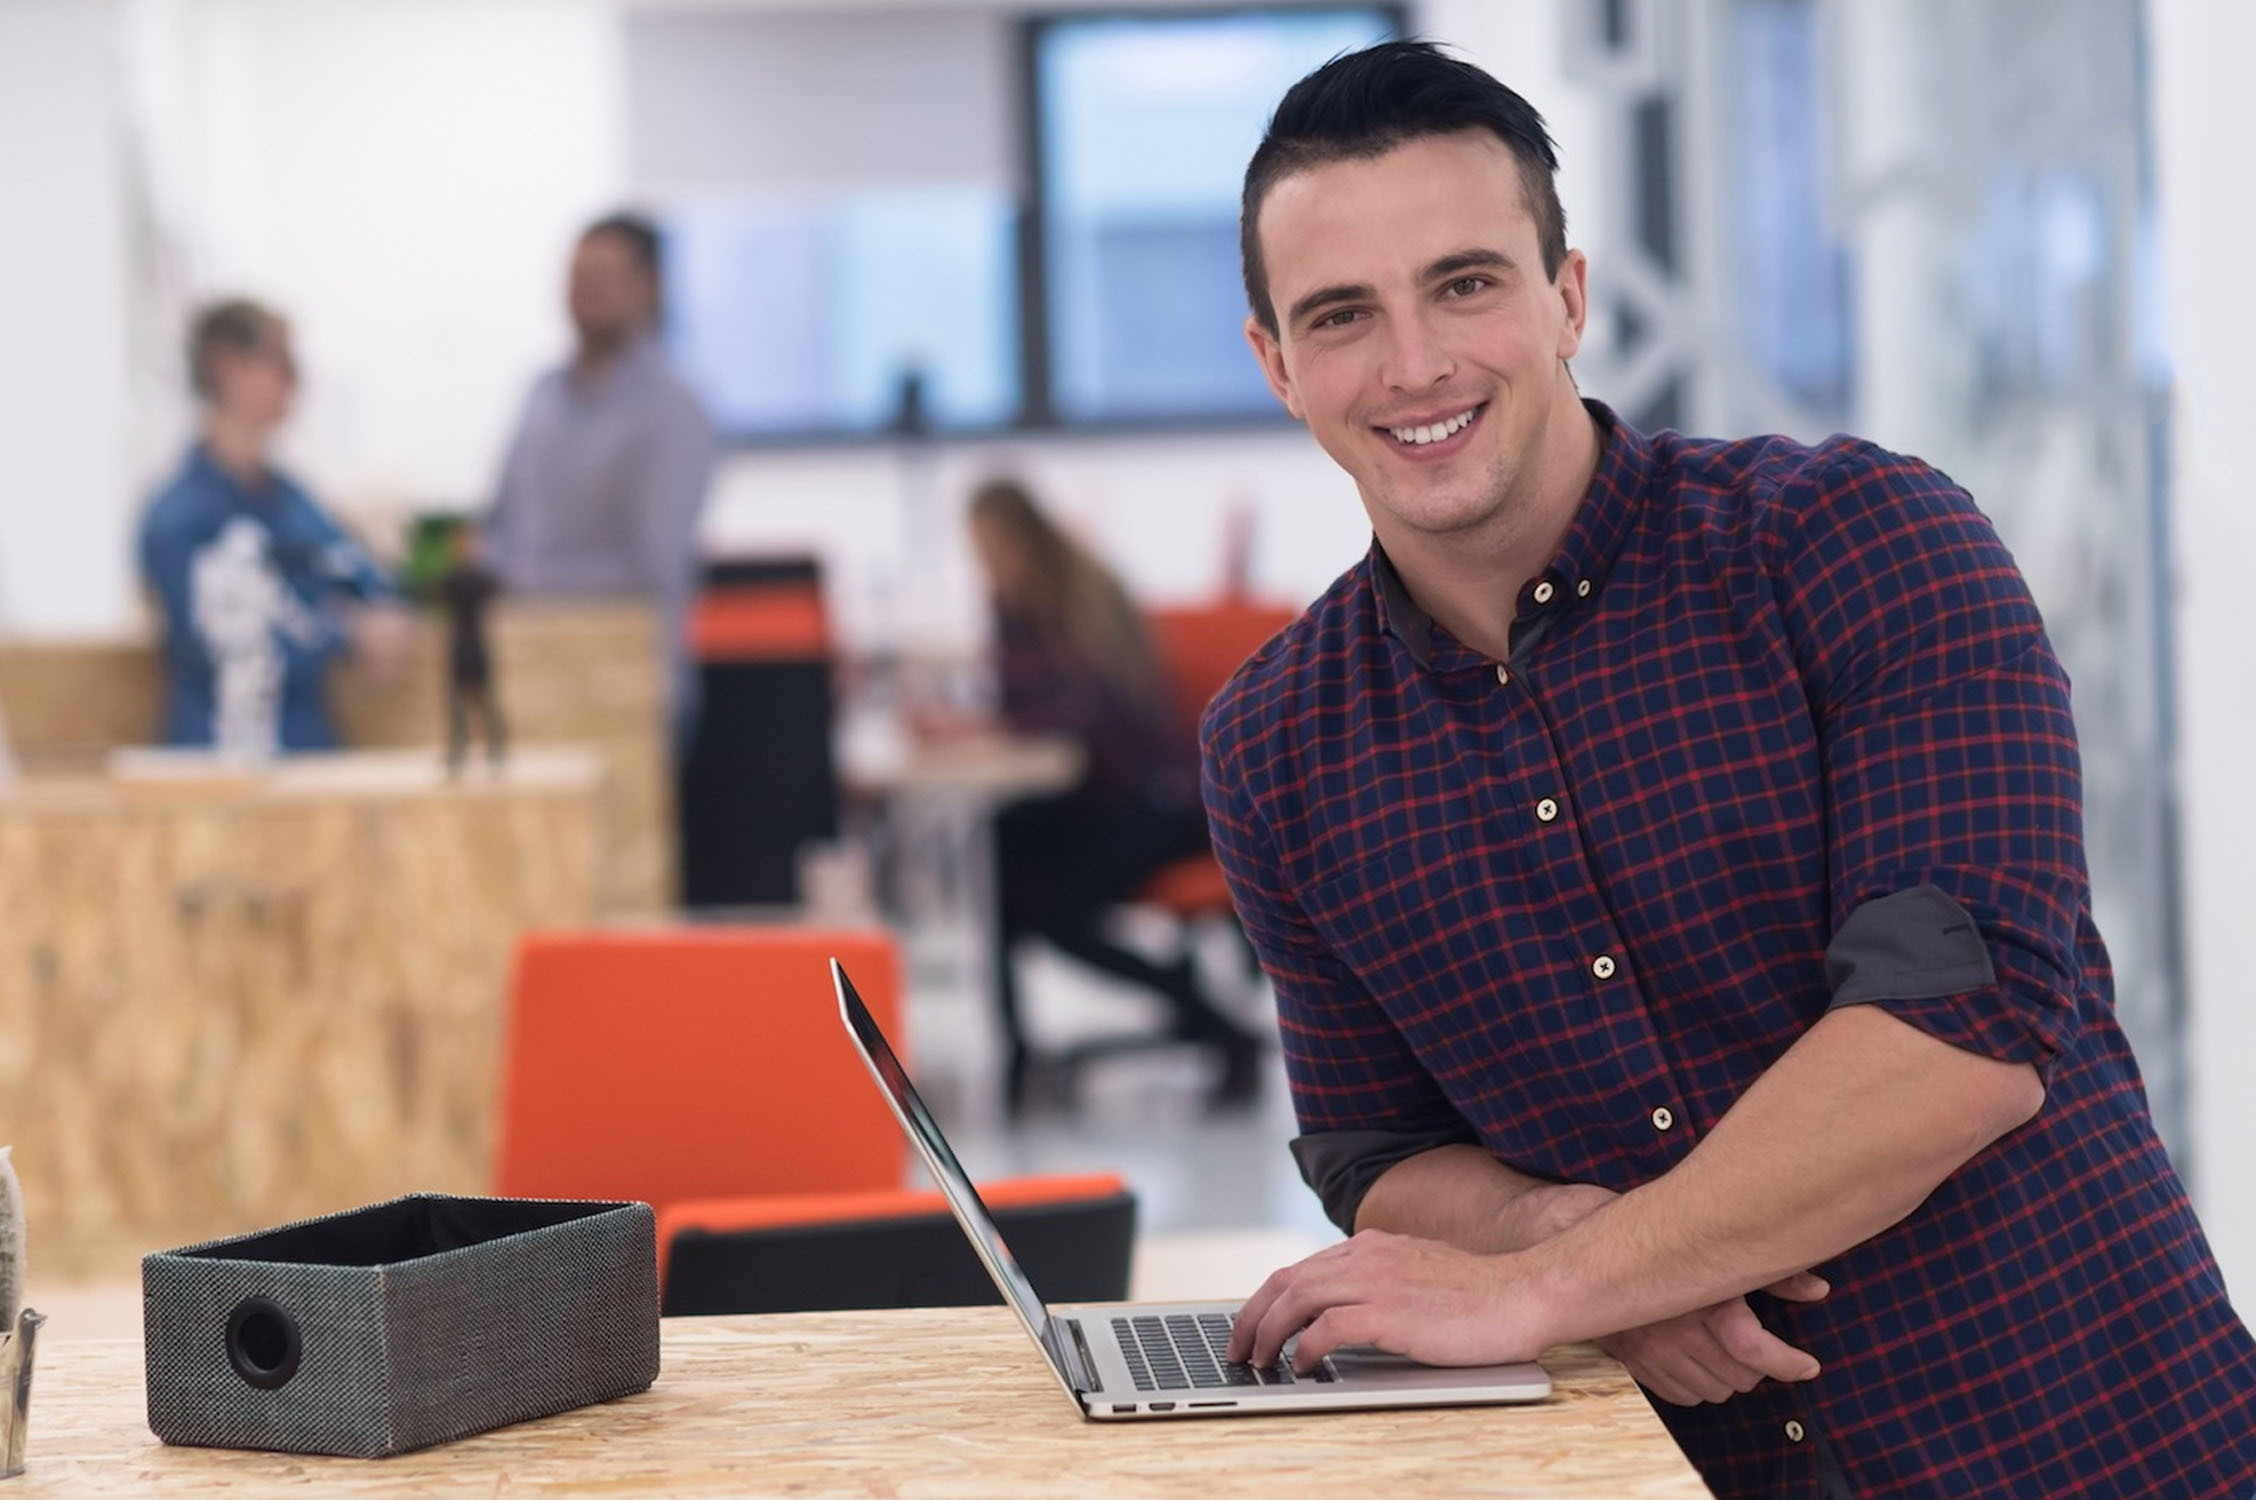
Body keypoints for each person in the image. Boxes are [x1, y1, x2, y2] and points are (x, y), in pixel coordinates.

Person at [1204, 41, 2254, 1500]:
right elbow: (1376, 1150)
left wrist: (1549, 1291)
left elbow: (1959, 1038)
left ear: (1567, 297)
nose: (1415, 364)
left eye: (1466, 283)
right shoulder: (1271, 748)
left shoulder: (1857, 541)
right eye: (1340, 315)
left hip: (2084, 1450)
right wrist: (1572, 1240)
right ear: (1277, 366)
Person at [965, 479, 1264, 1112]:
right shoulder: (1050, 595)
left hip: (1157, 802)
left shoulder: (1069, 604)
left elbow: (1082, 718)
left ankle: (1211, 1021)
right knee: (998, 842)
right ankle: (1015, 1039)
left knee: (1057, 913)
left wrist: (996, 717)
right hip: (1109, 796)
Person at [484, 214, 715, 742]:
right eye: (574, 276)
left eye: (601, 276)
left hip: (623, 692)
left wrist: (522, 581)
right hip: (528, 684)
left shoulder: (673, 411)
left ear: (648, 287)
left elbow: (651, 570)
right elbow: (500, 519)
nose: (583, 293)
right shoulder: (541, 394)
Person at [139, 299, 403, 758]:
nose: (295, 381)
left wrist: (382, 614)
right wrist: (344, 635)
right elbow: (223, 636)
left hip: (309, 760)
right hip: (217, 767)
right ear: (225, 366)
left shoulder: (295, 504)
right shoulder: (178, 515)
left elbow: (366, 579)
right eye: (279, 361)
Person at [436, 520, 507, 777]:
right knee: (457, 704)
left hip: (477, 643)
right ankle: (458, 753)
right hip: (460, 643)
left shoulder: (483, 580)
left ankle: (496, 751)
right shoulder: (451, 580)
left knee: (486, 701)